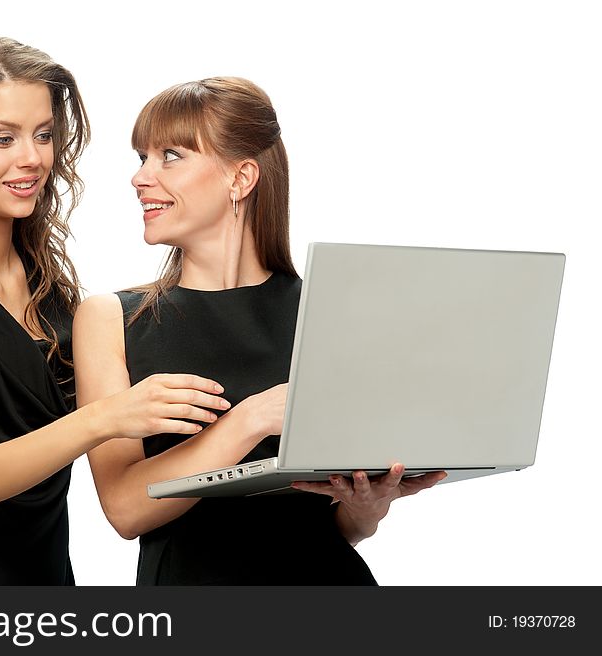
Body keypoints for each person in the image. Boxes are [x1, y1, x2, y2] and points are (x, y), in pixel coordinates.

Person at [0, 36, 227, 585]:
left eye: (44, 135)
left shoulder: (48, 284)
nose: (32, 158)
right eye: (2, 138)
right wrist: (106, 417)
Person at [73, 77, 446, 585]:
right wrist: (249, 419)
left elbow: (332, 525)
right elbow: (124, 509)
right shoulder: (111, 319)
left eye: (170, 155)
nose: (141, 177)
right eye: (142, 157)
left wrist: (365, 508)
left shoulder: (329, 314)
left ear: (241, 177)